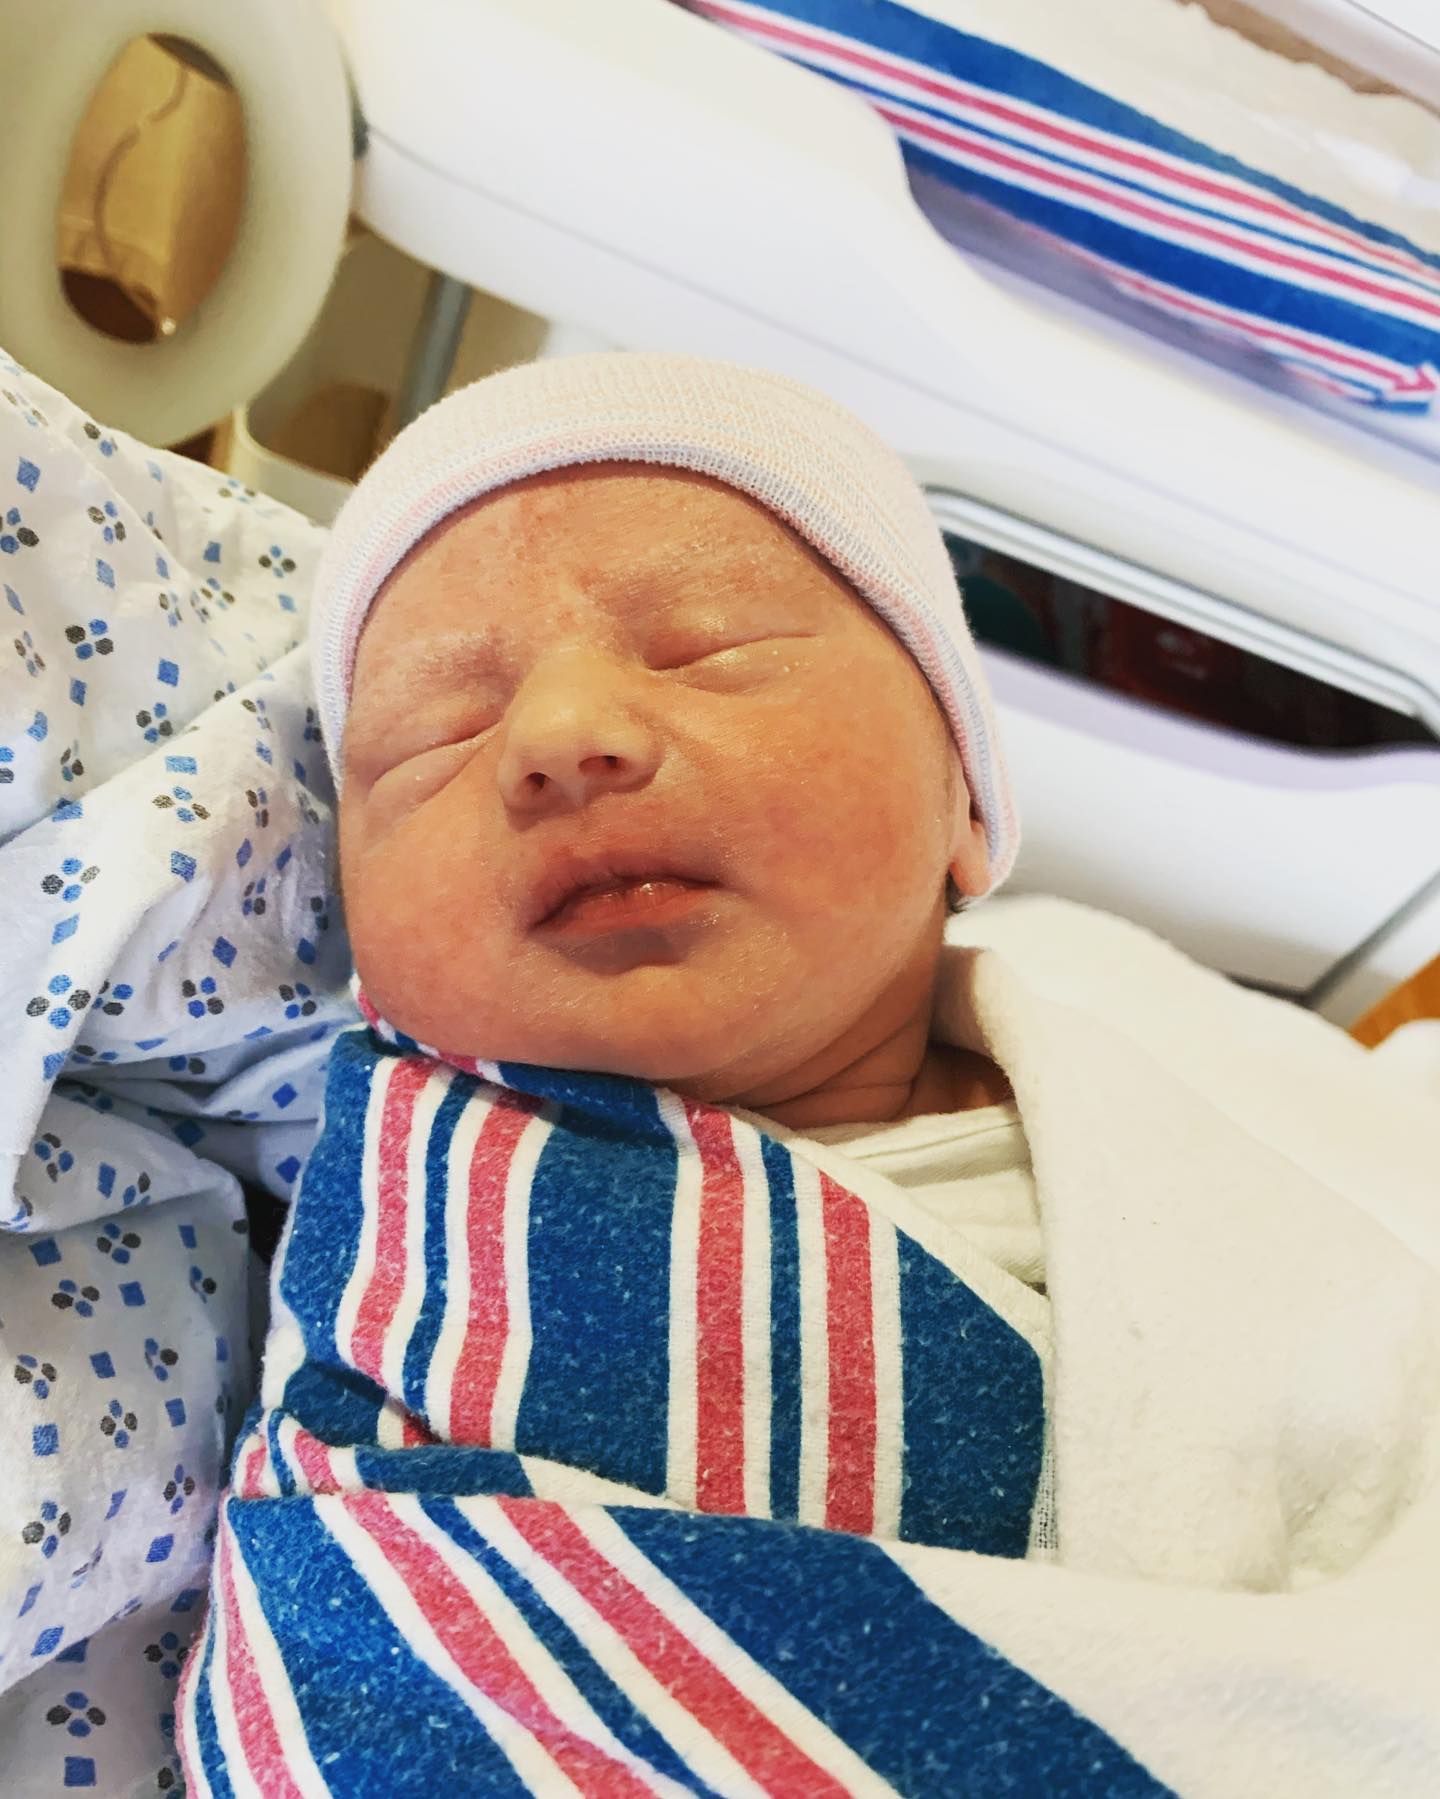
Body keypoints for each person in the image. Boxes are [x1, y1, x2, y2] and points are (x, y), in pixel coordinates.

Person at [178, 351, 1440, 1797]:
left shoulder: (1133, 1033)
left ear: (966, 805)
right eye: (434, 735)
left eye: (706, 646)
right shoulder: (429, 1261)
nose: (559, 739)